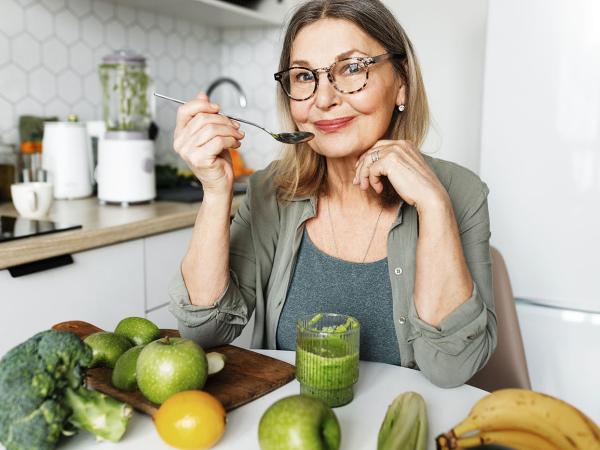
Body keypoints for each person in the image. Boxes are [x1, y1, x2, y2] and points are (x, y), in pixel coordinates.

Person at [169, 0, 496, 388]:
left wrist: (434, 206)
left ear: (401, 85)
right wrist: (215, 189)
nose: (323, 99)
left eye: (353, 68)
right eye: (305, 76)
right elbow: (203, 333)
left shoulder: (460, 193)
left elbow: (452, 367)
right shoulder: (269, 192)